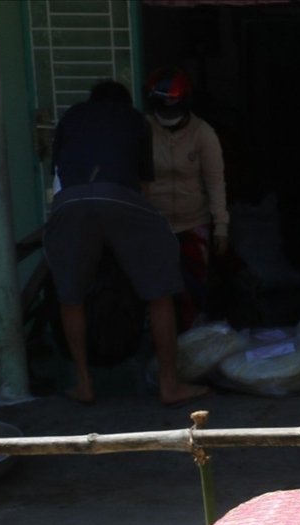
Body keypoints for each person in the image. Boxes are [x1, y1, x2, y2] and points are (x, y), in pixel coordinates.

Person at [43, 80, 207, 406]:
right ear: (126, 103)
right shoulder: (135, 120)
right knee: (160, 294)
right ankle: (169, 385)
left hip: (69, 202)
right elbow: (143, 189)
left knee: (70, 298)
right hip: (121, 199)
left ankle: (84, 384)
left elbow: (58, 180)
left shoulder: (72, 116)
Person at [143, 68, 228, 331]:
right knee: (157, 293)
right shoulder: (142, 129)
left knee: (193, 290)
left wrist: (221, 225)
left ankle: (194, 346)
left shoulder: (203, 133)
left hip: (193, 223)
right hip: (154, 225)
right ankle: (160, 351)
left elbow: (216, 181)